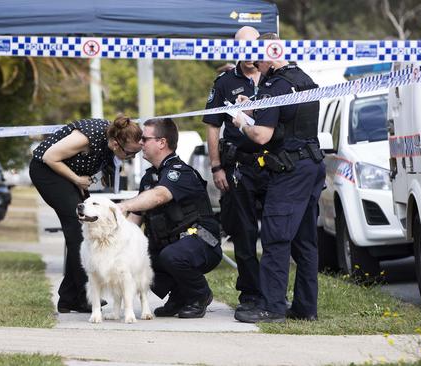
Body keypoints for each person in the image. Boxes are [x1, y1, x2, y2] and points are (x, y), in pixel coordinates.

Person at [231, 33, 326, 323]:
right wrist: (256, 105)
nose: (255, 66)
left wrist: (242, 121)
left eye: (257, 59)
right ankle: (305, 308)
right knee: (305, 242)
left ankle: (272, 307)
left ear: (269, 55)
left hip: (290, 171)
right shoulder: (303, 79)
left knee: (275, 238)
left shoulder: (275, 86)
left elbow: (263, 135)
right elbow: (290, 118)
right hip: (312, 166)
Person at [30, 116, 142, 313]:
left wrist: (78, 181)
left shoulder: (111, 139)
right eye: (131, 153)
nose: (132, 157)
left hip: (68, 175)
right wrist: (77, 180)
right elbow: (49, 157)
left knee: (83, 229)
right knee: (78, 231)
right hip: (46, 171)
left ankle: (68, 298)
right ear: (116, 143)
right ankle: (83, 297)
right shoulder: (87, 137)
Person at [117, 118, 221, 319]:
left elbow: (159, 196)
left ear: (162, 142)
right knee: (137, 258)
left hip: (202, 243)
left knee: (171, 256)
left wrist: (124, 205)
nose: (140, 143)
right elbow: (134, 220)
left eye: (144, 139)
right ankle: (180, 295)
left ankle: (200, 295)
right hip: (172, 244)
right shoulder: (149, 178)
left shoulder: (179, 173)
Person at [203, 25, 269, 313]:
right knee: (243, 234)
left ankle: (271, 291)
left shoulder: (273, 78)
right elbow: (212, 127)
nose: (249, 56)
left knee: (275, 232)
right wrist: (216, 166)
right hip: (238, 165)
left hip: (272, 166)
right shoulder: (225, 83)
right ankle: (251, 294)